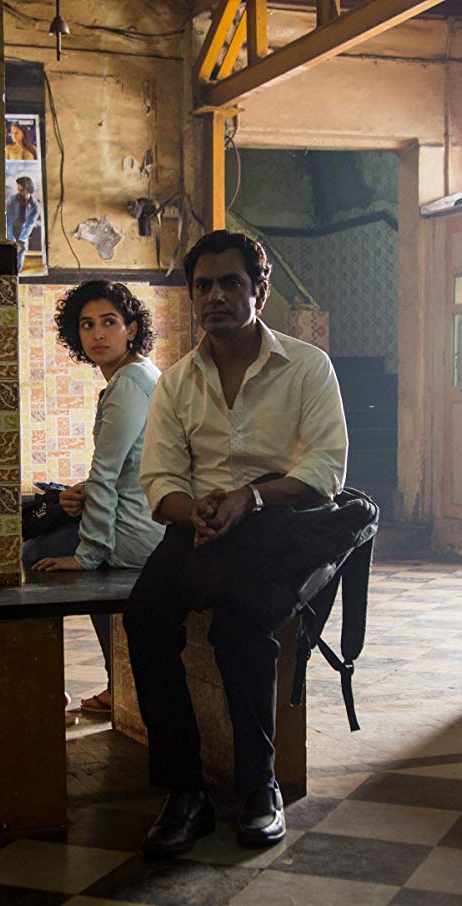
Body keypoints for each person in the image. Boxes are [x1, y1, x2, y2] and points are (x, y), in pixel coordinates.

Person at [125, 229, 349, 857]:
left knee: (240, 623)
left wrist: (249, 498)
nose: (215, 296)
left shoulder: (306, 367)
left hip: (281, 525)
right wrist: (191, 507)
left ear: (259, 290)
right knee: (144, 617)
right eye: (203, 285)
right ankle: (184, 792)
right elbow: (160, 478)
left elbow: (326, 470)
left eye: (230, 283)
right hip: (200, 528)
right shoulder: (175, 382)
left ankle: (259, 789)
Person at [25, 281, 166, 715]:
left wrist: (87, 555)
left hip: (138, 532)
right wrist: (79, 496)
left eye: (109, 323)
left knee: (36, 553)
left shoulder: (127, 385)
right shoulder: (143, 375)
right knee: (61, 546)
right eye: (87, 325)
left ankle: (48, 687)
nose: (98, 334)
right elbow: (124, 469)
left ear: (132, 328)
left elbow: (107, 473)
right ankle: (118, 681)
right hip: (148, 519)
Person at [5, 176, 39, 248]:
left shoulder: (35, 206)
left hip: (23, 234)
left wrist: (20, 242)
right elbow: (8, 221)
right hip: (10, 232)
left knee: (20, 257)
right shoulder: (11, 200)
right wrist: (12, 241)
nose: (18, 192)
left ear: (28, 190)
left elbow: (29, 225)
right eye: (18, 189)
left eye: (22, 190)